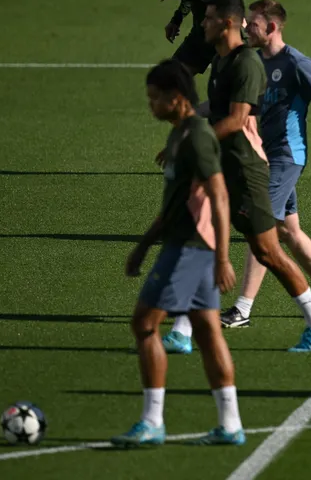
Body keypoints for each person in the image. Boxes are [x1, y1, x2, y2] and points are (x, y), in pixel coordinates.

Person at [111, 59, 245, 447]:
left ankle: (152, 422)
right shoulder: (178, 135)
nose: (150, 105)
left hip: (189, 250)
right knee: (207, 335)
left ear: (176, 98)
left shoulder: (198, 137)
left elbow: (219, 194)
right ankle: (230, 424)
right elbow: (173, 204)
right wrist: (143, 245)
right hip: (185, 246)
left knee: (144, 324)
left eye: (155, 98)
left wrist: (222, 256)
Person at [197, 0, 311, 352]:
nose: (248, 27)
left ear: (271, 27)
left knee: (264, 236)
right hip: (263, 158)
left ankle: (242, 308)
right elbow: (239, 110)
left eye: (254, 23)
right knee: (289, 232)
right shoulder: (250, 62)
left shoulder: (296, 63)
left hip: (287, 156)